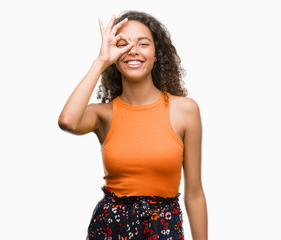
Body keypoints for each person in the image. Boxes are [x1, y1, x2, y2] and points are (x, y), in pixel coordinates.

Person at [58, 10, 208, 240]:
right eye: (123, 44)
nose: (133, 50)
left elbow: (195, 193)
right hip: (109, 228)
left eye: (143, 43)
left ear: (157, 54)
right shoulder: (103, 114)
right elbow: (67, 121)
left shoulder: (185, 110)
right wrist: (100, 61)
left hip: (162, 230)